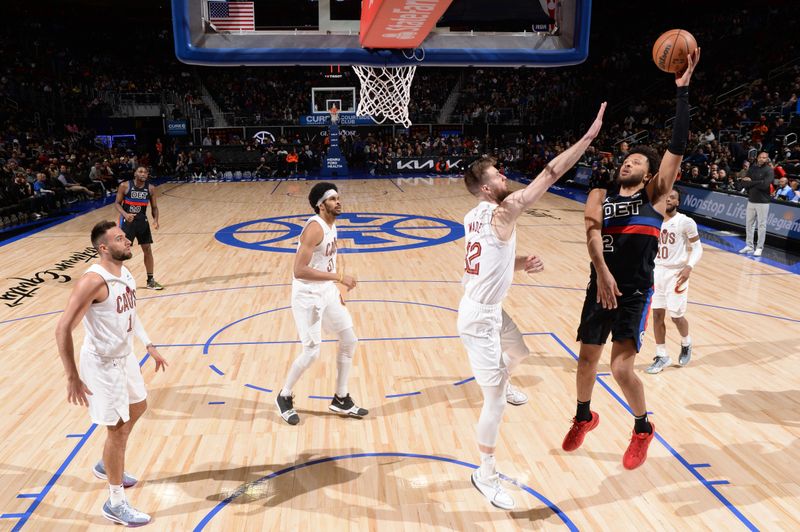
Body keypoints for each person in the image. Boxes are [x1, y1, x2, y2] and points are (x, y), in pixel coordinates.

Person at [459, 102, 606, 510]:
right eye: (498, 175)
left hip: (484, 305)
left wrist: (518, 264)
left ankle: (497, 382)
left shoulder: (474, 216)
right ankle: (483, 473)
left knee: (520, 351)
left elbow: (479, 261)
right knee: (495, 401)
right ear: (488, 189)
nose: (505, 177)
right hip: (478, 318)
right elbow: (551, 173)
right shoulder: (504, 209)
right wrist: (588, 138)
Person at [565, 48, 700, 470]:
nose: (628, 162)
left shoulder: (656, 197)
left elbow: (677, 146)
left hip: (634, 291)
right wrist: (601, 271)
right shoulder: (598, 195)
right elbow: (590, 234)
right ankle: (584, 417)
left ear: (649, 172)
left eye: (637, 161)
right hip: (598, 286)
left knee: (621, 368)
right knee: (586, 361)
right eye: (626, 159)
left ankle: (642, 427)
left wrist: (682, 93)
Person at [55, 220, 167, 526]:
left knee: (139, 406)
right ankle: (115, 502)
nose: (127, 241)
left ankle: (107, 464)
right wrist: (72, 376)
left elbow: (131, 312)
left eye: (125, 237)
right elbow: (62, 327)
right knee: (117, 429)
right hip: (102, 364)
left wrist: (149, 344)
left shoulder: (125, 272)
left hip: (125, 356)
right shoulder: (92, 282)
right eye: (120, 239)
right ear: (103, 248)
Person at [275, 182, 367, 425]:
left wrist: (335, 288)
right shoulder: (315, 229)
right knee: (312, 352)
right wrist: (338, 278)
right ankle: (284, 395)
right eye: (333, 199)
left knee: (349, 340)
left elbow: (327, 261)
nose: (338, 202)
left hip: (325, 291)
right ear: (320, 204)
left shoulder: (331, 225)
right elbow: (299, 270)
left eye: (338, 197)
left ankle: (341, 397)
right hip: (307, 295)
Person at [646, 187, 703, 374]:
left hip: (677, 274)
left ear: (678, 202)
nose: (669, 200)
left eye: (673, 198)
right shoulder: (653, 220)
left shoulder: (685, 222)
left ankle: (686, 342)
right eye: (666, 197)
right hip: (656, 272)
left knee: (676, 316)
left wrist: (689, 267)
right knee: (656, 315)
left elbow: (697, 248)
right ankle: (662, 355)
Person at [114, 166, 163, 289]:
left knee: (147, 250)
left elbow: (154, 207)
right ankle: (115, 279)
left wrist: (155, 220)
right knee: (121, 251)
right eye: (140, 171)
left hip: (142, 222)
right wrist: (125, 214)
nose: (144, 174)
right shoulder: (125, 186)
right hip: (127, 222)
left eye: (146, 172)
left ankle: (150, 280)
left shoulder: (151, 188)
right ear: (135, 173)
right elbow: (117, 203)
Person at [737, 152, 773, 256]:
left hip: (763, 202)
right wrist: (758, 182)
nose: (762, 159)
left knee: (761, 225)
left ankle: (759, 247)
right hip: (751, 200)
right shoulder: (752, 168)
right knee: (749, 224)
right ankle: (749, 246)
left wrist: (751, 182)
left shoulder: (769, 170)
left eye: (764, 158)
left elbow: (765, 185)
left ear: (767, 159)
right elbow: (744, 183)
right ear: (757, 158)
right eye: (761, 157)